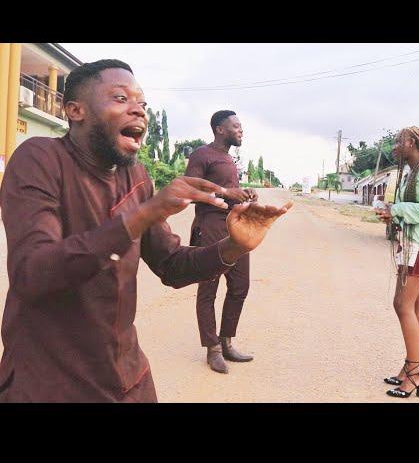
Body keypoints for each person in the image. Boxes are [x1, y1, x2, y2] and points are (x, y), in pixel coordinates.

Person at [0, 59, 291, 402]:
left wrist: (233, 247)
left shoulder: (136, 177)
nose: (138, 111)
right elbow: (33, 272)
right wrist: (142, 215)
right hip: (51, 381)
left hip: (126, 374)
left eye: (143, 104)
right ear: (75, 110)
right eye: (121, 99)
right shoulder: (40, 159)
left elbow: (171, 265)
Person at [375, 127, 419, 398]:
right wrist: (393, 216)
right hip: (411, 244)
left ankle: (415, 371)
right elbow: (413, 210)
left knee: (401, 304)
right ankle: (409, 367)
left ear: (414, 143)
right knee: (415, 304)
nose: (395, 146)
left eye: (399, 141)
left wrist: (398, 210)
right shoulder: (412, 172)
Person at [185, 110, 257, 374]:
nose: (241, 130)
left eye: (241, 126)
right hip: (209, 225)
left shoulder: (228, 158)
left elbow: (230, 194)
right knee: (209, 288)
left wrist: (244, 197)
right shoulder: (202, 155)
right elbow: (189, 189)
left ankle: (227, 342)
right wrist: (226, 192)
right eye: (236, 126)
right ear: (219, 129)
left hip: (234, 226)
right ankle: (212, 349)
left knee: (240, 285)